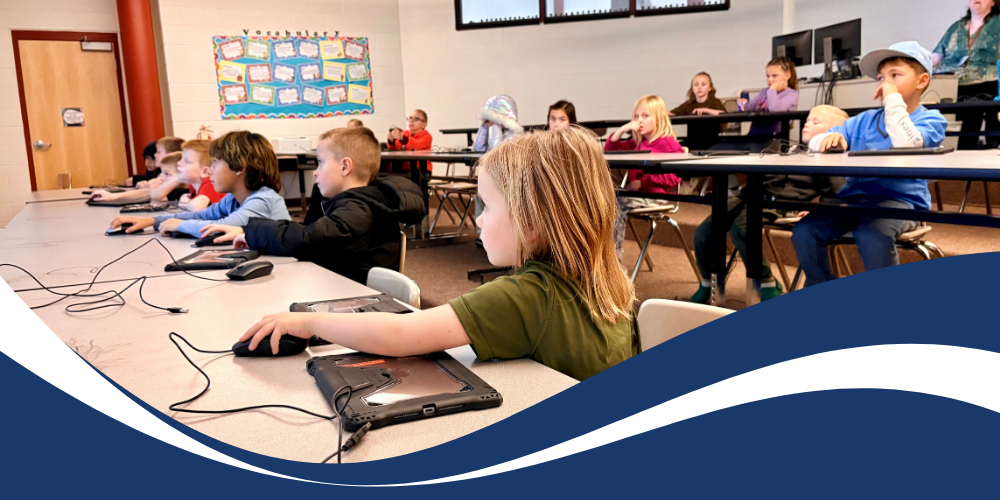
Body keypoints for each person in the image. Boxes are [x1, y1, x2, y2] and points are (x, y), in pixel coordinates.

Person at [237, 127, 639, 381]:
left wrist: (306, 323)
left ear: (532, 222)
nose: (477, 221)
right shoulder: (611, 282)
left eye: (486, 206)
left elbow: (401, 335)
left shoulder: (528, 295)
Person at [795, 42, 948, 287]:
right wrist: (827, 139)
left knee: (872, 234)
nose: (885, 83)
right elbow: (813, 140)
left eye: (895, 76)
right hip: (854, 199)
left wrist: (892, 100)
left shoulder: (931, 119)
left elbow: (906, 143)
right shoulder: (863, 120)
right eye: (881, 78)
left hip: (903, 202)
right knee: (805, 231)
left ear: (921, 81)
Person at [202, 127, 426, 284]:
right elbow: (313, 233)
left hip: (354, 300)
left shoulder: (358, 209)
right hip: (340, 286)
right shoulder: (352, 204)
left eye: (320, 162)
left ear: (345, 167)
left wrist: (253, 231)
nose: (315, 171)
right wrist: (249, 231)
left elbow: (309, 240)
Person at [690, 105, 848, 304]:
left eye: (816, 122)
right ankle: (708, 282)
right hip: (751, 194)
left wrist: (816, 210)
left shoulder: (829, 155)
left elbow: (837, 191)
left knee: (742, 229)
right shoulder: (791, 149)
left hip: (778, 203)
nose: (807, 124)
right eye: (808, 120)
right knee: (704, 232)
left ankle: (766, 281)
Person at [108, 131, 291, 238]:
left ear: (239, 168)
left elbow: (219, 228)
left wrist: (178, 225)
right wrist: (152, 221)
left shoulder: (263, 199)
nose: (209, 170)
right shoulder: (233, 199)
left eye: (215, 163)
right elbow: (202, 215)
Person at [604, 95, 684, 260]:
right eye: (636, 116)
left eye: (645, 116)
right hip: (637, 195)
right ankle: (603, 256)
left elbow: (675, 178)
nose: (639, 121)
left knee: (614, 206)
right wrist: (622, 130)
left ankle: (614, 260)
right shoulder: (636, 143)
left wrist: (644, 181)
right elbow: (610, 149)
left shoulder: (667, 144)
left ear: (659, 119)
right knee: (603, 201)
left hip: (655, 196)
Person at [933, 0, 1000, 149]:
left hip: (990, 83)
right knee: (963, 129)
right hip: (957, 84)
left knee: (987, 123)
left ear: (993, 2)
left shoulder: (998, 23)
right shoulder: (956, 27)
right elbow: (937, 56)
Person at [473, 95, 524, 238]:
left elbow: (497, 151)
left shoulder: (516, 134)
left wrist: (495, 125)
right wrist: (484, 126)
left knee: (495, 197)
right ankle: (483, 232)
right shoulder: (492, 130)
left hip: (509, 181)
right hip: (493, 177)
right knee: (480, 194)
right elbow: (478, 148)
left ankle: (500, 233)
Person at [90, 151, 186, 205]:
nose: (162, 178)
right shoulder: (174, 190)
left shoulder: (185, 192)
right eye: (162, 174)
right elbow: (149, 193)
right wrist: (112, 196)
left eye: (167, 174)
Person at [670, 72, 727, 151]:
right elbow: (673, 113)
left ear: (710, 88)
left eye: (703, 85)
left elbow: (723, 114)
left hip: (711, 142)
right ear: (692, 89)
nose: (699, 87)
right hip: (692, 142)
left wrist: (706, 110)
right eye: (696, 85)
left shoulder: (715, 102)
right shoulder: (689, 104)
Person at [172, 139, 225, 212]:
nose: (179, 163)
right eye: (181, 158)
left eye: (187, 161)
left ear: (205, 171)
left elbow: (196, 206)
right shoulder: (193, 184)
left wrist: (185, 203)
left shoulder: (210, 183)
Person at [387, 109, 433, 173]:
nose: (411, 120)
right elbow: (396, 146)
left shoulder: (427, 136)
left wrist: (402, 137)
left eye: (416, 119)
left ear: (424, 125)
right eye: (410, 118)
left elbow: (416, 145)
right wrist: (391, 141)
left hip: (422, 168)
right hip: (406, 167)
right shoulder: (405, 133)